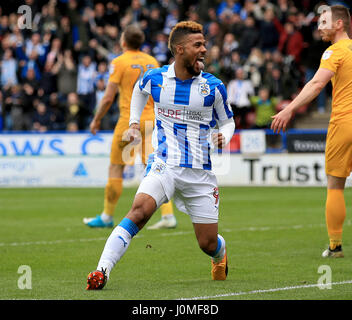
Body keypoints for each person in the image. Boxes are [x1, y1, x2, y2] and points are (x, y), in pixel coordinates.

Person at [86, 21, 235, 290]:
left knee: (207, 243)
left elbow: (228, 121)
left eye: (204, 44)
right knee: (139, 212)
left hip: (199, 173)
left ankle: (220, 254)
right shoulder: (156, 78)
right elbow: (138, 92)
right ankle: (101, 271)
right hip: (164, 164)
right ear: (179, 49)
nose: (204, 49)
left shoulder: (213, 87)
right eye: (197, 45)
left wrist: (226, 134)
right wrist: (133, 122)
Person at [271, 5, 352, 258]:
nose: (319, 26)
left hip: (344, 121)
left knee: (335, 185)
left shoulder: (334, 52)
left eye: (324, 21)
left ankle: (335, 246)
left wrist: (289, 109)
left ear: (339, 24)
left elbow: (317, 83)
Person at [83, 24, 176, 229]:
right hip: (152, 119)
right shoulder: (152, 61)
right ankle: (168, 216)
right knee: (156, 168)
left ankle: (107, 216)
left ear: (123, 42)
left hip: (129, 121)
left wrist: (97, 119)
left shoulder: (119, 62)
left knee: (117, 166)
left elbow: (108, 97)